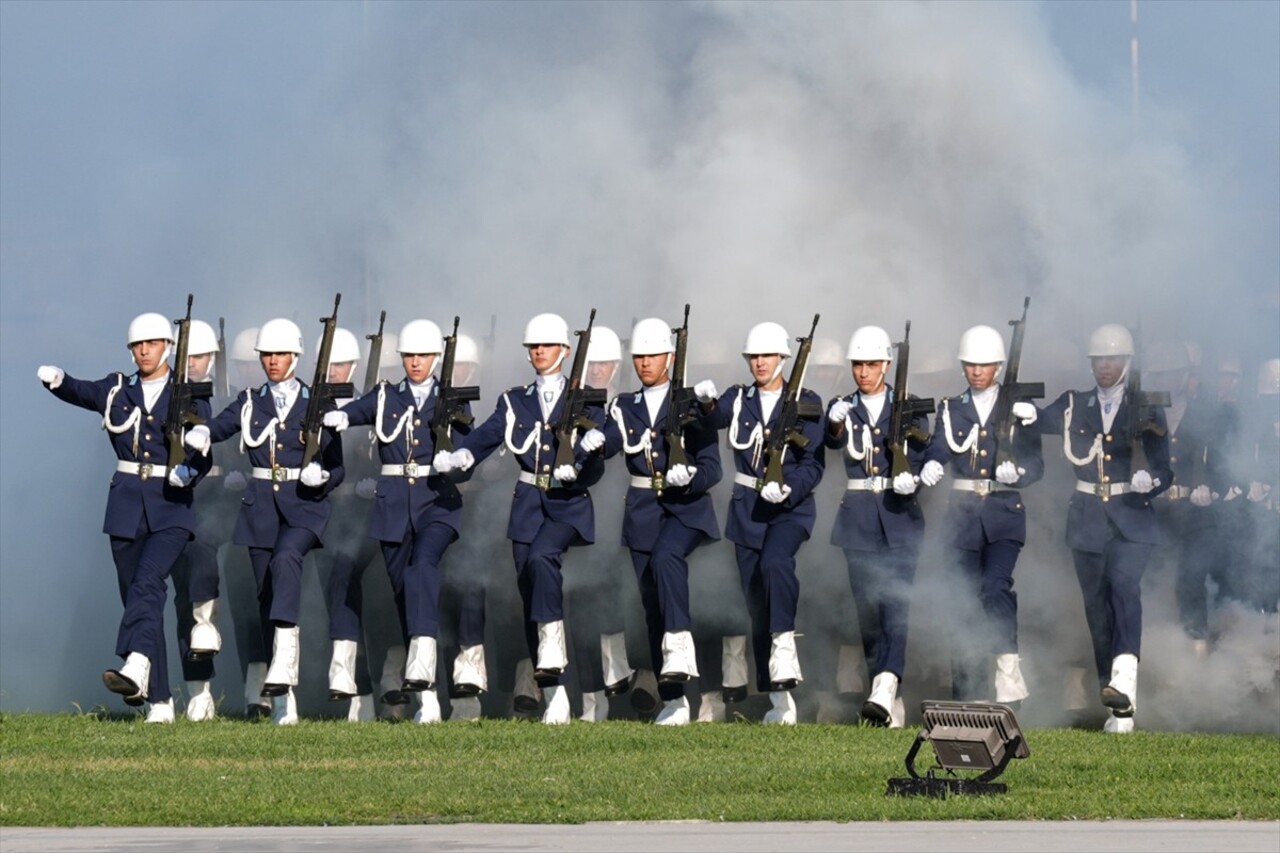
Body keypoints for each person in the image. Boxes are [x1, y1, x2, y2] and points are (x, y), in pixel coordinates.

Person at [38, 311, 211, 723]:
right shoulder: (119, 389)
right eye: (137, 345)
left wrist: (191, 468)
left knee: (150, 582)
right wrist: (60, 382)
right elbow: (85, 392)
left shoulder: (189, 394)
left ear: (167, 346)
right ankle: (162, 702)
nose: (144, 351)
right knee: (139, 599)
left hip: (171, 507)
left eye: (151, 343)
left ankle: (134, 664)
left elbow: (205, 455)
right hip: (126, 507)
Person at [435, 312, 606, 724]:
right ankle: (556, 695)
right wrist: (464, 454)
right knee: (531, 595)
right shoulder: (516, 400)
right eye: (533, 347)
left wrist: (585, 455)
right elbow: (490, 433)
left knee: (542, 557)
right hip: (528, 501)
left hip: (567, 504)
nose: (539, 352)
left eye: (546, 346)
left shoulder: (585, 399)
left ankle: (552, 653)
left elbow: (600, 440)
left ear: (565, 352)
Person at [184, 317, 346, 725]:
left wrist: (322, 477)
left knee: (287, 558)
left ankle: (286, 664)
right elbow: (224, 423)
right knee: (264, 597)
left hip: (305, 506)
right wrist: (204, 433)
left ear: (296, 356)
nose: (272, 361)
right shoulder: (251, 400)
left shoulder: (318, 404)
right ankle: (282, 702)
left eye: (279, 354)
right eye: (266, 355)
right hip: (260, 511)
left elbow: (337, 465)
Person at [323, 319, 476, 724]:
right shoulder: (387, 396)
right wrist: (341, 417)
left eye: (423, 355)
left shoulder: (453, 399)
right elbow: (360, 408)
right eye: (409, 355)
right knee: (403, 596)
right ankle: (428, 701)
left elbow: (466, 455)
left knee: (423, 565)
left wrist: (454, 465)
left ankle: (425, 663)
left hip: (436, 504)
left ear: (435, 358)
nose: (415, 362)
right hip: (392, 508)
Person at [585, 317, 723, 725]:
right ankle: (674, 700)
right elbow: (613, 441)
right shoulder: (624, 405)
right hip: (644, 508)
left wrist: (693, 477)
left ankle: (679, 647)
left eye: (653, 355)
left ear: (671, 357)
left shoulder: (692, 404)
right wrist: (593, 445)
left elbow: (712, 467)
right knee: (651, 603)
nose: (645, 363)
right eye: (640, 356)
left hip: (686, 508)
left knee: (666, 557)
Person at [1037, 324, 1172, 733]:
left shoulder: (1147, 406)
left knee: (1123, 586)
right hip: (1088, 516)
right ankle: (1115, 703)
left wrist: (1153, 481)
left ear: (1127, 363)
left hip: (1132, 514)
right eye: (1098, 360)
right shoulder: (1075, 403)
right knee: (1096, 608)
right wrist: (1021, 416)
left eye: (1112, 360)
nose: (1105, 367)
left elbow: (1165, 467)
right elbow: (1040, 422)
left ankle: (1125, 676)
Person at [695, 321, 826, 725]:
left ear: (783, 358)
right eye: (753, 357)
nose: (759, 363)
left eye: (767, 356)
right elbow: (713, 419)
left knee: (775, 564)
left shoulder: (806, 401)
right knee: (756, 604)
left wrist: (791, 488)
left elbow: (814, 461)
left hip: (789, 509)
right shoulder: (739, 398)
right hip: (748, 509)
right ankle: (779, 701)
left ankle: (785, 644)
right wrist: (704, 404)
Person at [921, 324, 1043, 707]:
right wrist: (930, 464)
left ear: (999, 366)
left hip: (1004, 513)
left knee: (994, 588)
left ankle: (1008, 673)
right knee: (962, 601)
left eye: (985, 364)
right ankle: (966, 693)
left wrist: (1019, 473)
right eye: (971, 364)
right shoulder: (951, 408)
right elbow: (940, 447)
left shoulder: (1018, 407)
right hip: (962, 517)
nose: (977, 371)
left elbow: (1037, 463)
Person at [824, 326, 933, 726]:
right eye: (858, 365)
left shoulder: (909, 405)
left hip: (900, 516)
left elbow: (927, 450)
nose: (864, 372)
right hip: (857, 520)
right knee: (868, 612)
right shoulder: (843, 407)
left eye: (872, 364)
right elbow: (832, 444)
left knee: (896, 606)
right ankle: (884, 695)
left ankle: (887, 682)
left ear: (887, 365)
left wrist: (921, 473)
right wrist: (833, 425)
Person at [166, 318, 226, 721]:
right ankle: (197, 690)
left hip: (224, 505)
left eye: (203, 356)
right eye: (190, 356)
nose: (196, 364)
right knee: (184, 602)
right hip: (177, 502)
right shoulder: (168, 398)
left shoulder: (231, 398)